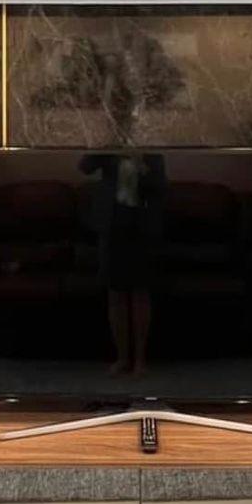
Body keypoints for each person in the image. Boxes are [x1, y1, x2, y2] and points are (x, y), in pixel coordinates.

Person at [79, 152, 166, 376]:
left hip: (141, 226)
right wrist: (104, 145)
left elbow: (160, 186)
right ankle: (122, 358)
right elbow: (85, 167)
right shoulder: (108, 147)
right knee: (115, 292)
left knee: (140, 292)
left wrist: (141, 165)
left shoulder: (152, 149)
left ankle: (140, 359)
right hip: (112, 224)